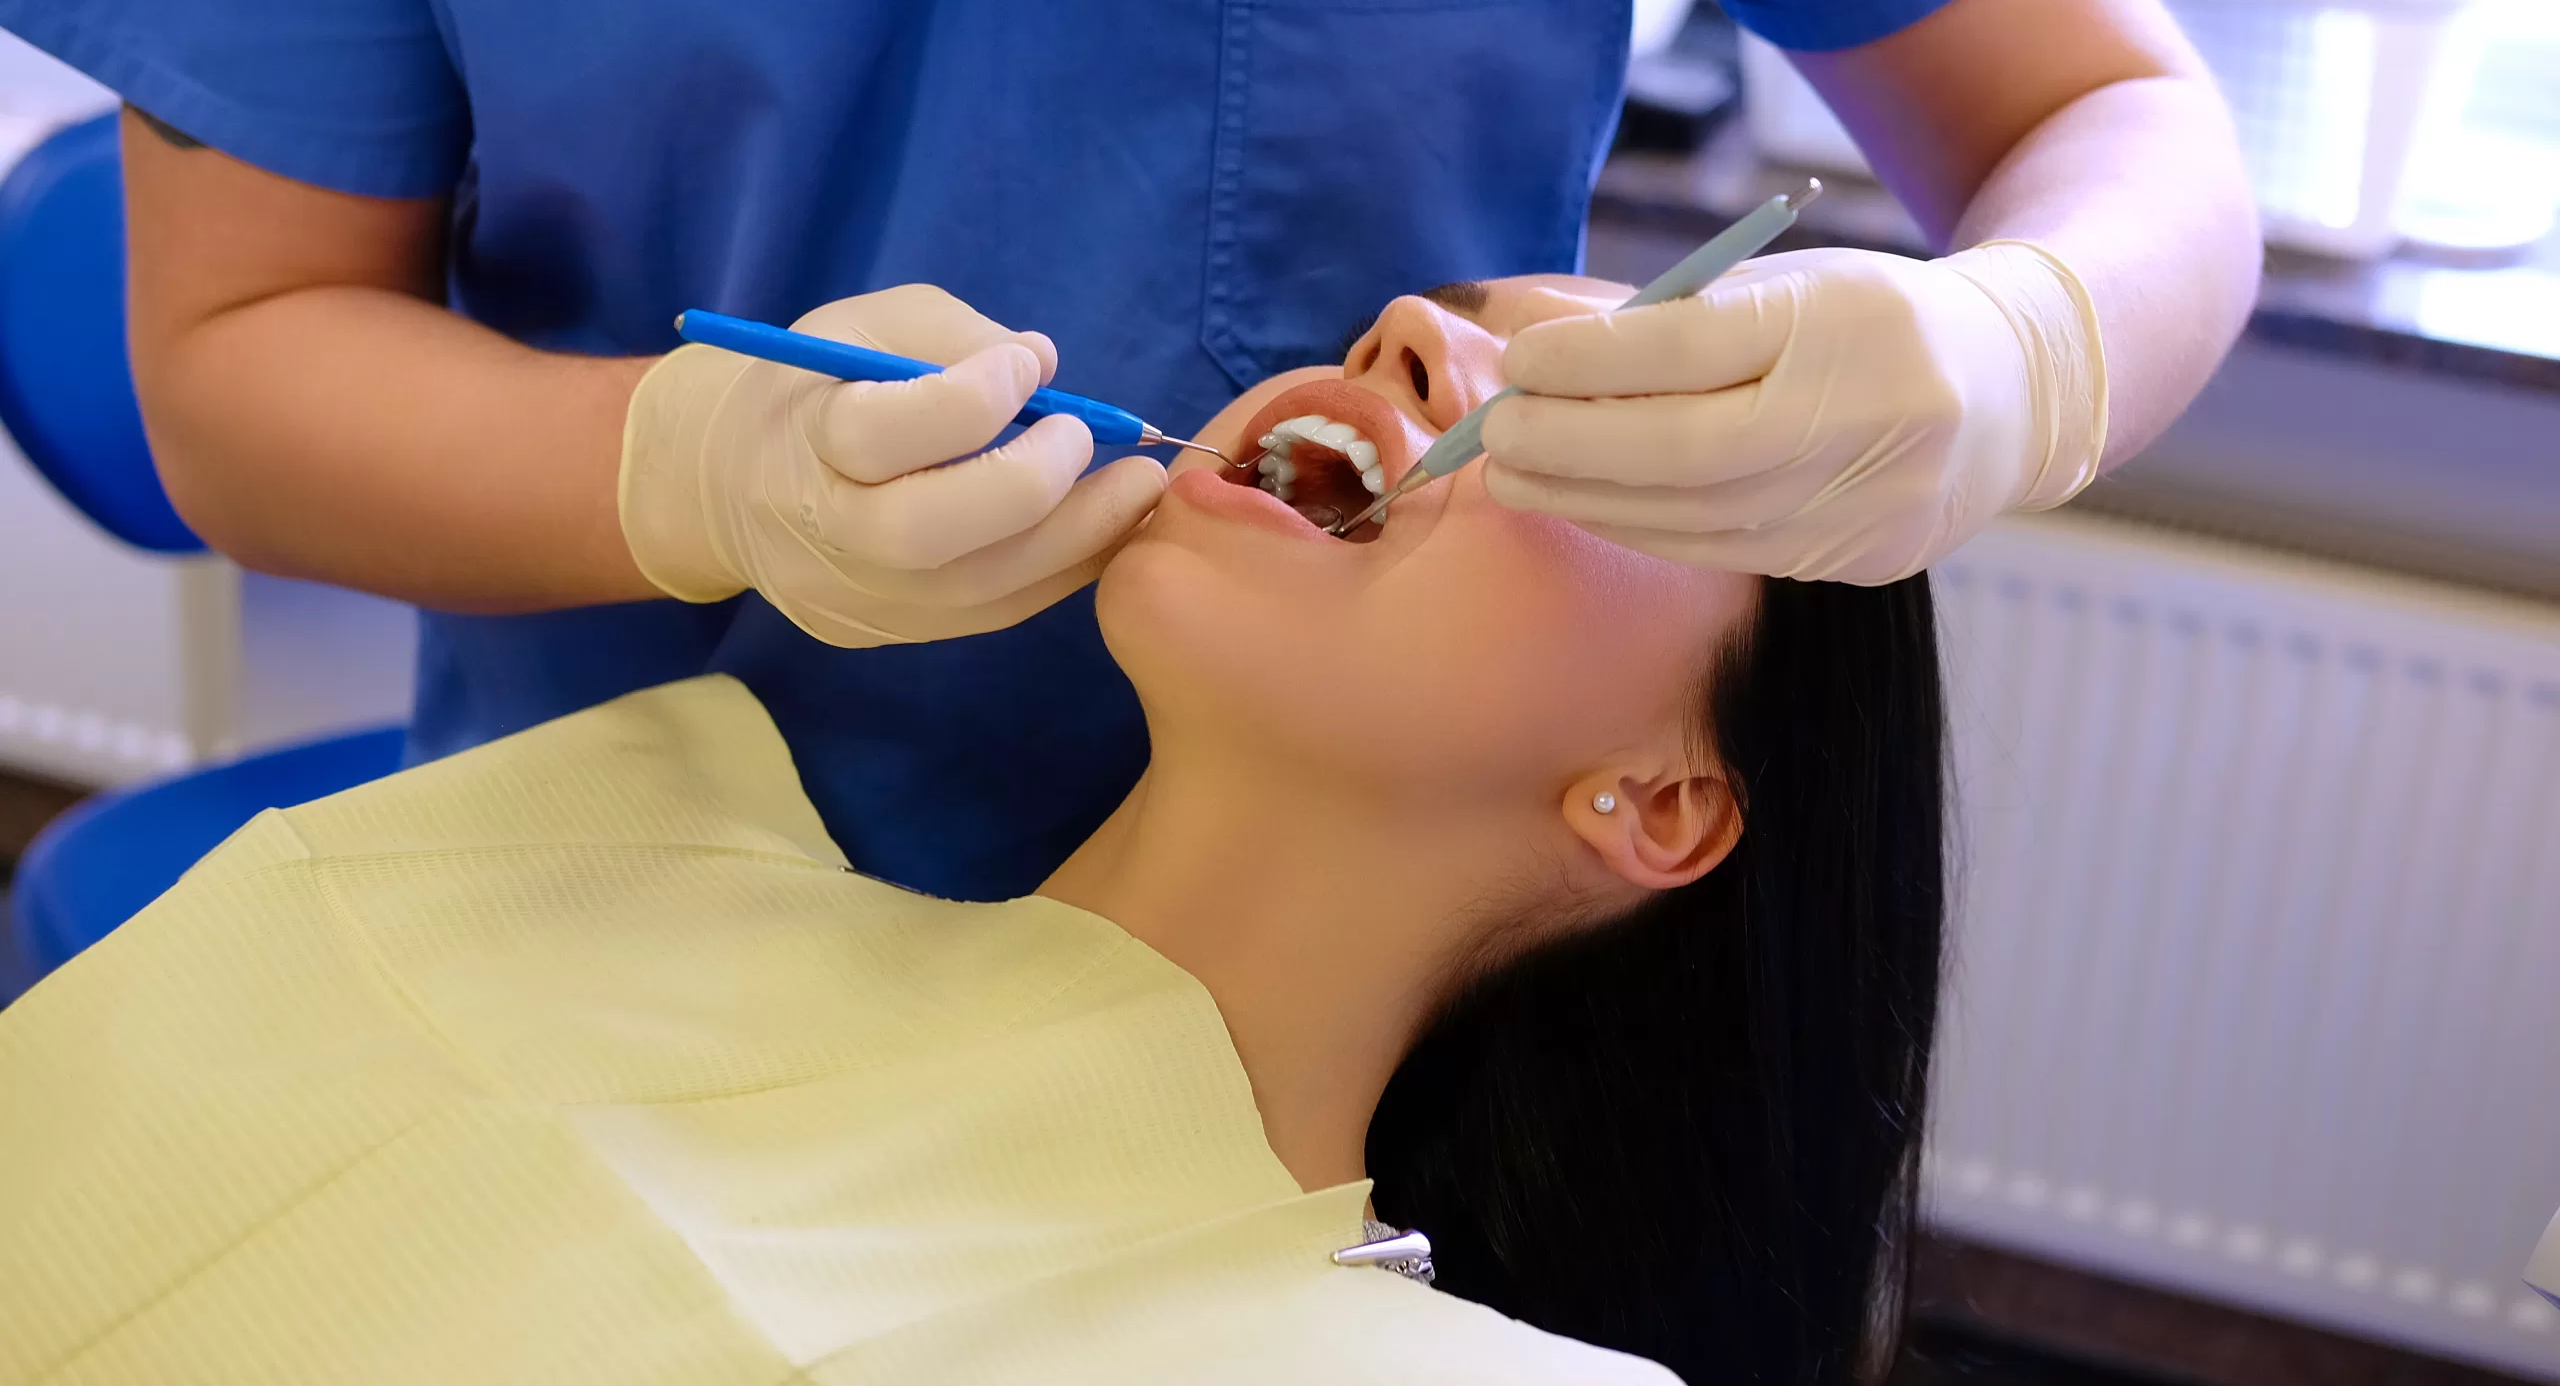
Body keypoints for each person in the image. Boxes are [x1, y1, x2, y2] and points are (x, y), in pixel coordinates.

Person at [0, 0, 2254, 892]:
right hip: (629, 885)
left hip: (1361, 994)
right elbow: (237, 359)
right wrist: (691, 469)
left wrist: (2022, 345)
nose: (1408, 356)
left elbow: (2110, 120)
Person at [0, 277, 1945, 1385]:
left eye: (1604, 419)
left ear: (1662, 801)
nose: (1422, 332)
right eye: (1434, 325)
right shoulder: (627, 823)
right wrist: (682, 460)